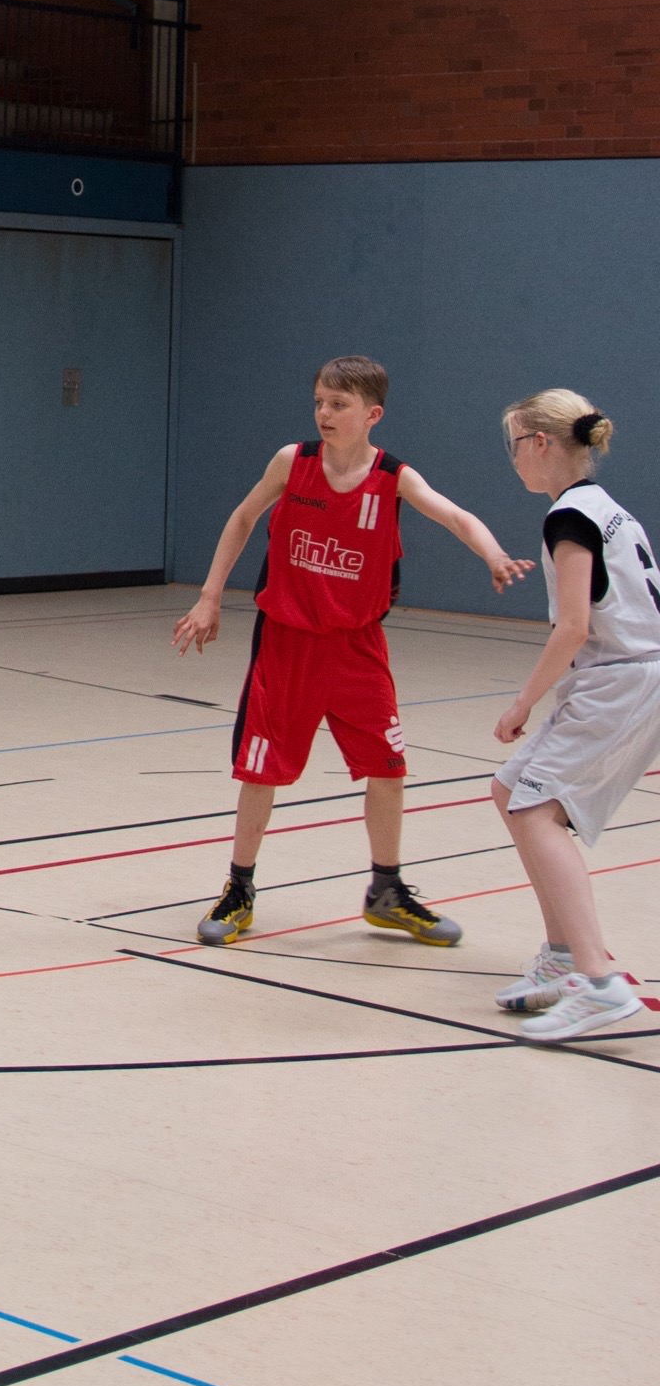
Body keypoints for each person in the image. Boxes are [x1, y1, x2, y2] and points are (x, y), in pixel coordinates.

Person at [174, 353, 530, 950]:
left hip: (358, 648)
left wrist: (493, 555)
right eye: (319, 401)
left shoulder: (393, 477)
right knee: (261, 771)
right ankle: (239, 888)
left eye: (338, 404)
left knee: (388, 769)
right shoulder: (293, 461)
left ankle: (386, 892)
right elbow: (242, 518)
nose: (324, 413)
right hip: (287, 643)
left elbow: (454, 516)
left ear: (372, 414)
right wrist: (210, 597)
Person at [490, 390, 660, 1042]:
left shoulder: (569, 517)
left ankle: (598, 982)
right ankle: (563, 957)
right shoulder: (605, 508)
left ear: (540, 443)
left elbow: (573, 626)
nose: (512, 460)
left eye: (513, 445)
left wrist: (523, 701)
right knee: (509, 789)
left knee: (536, 810)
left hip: (621, 679)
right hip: (627, 673)